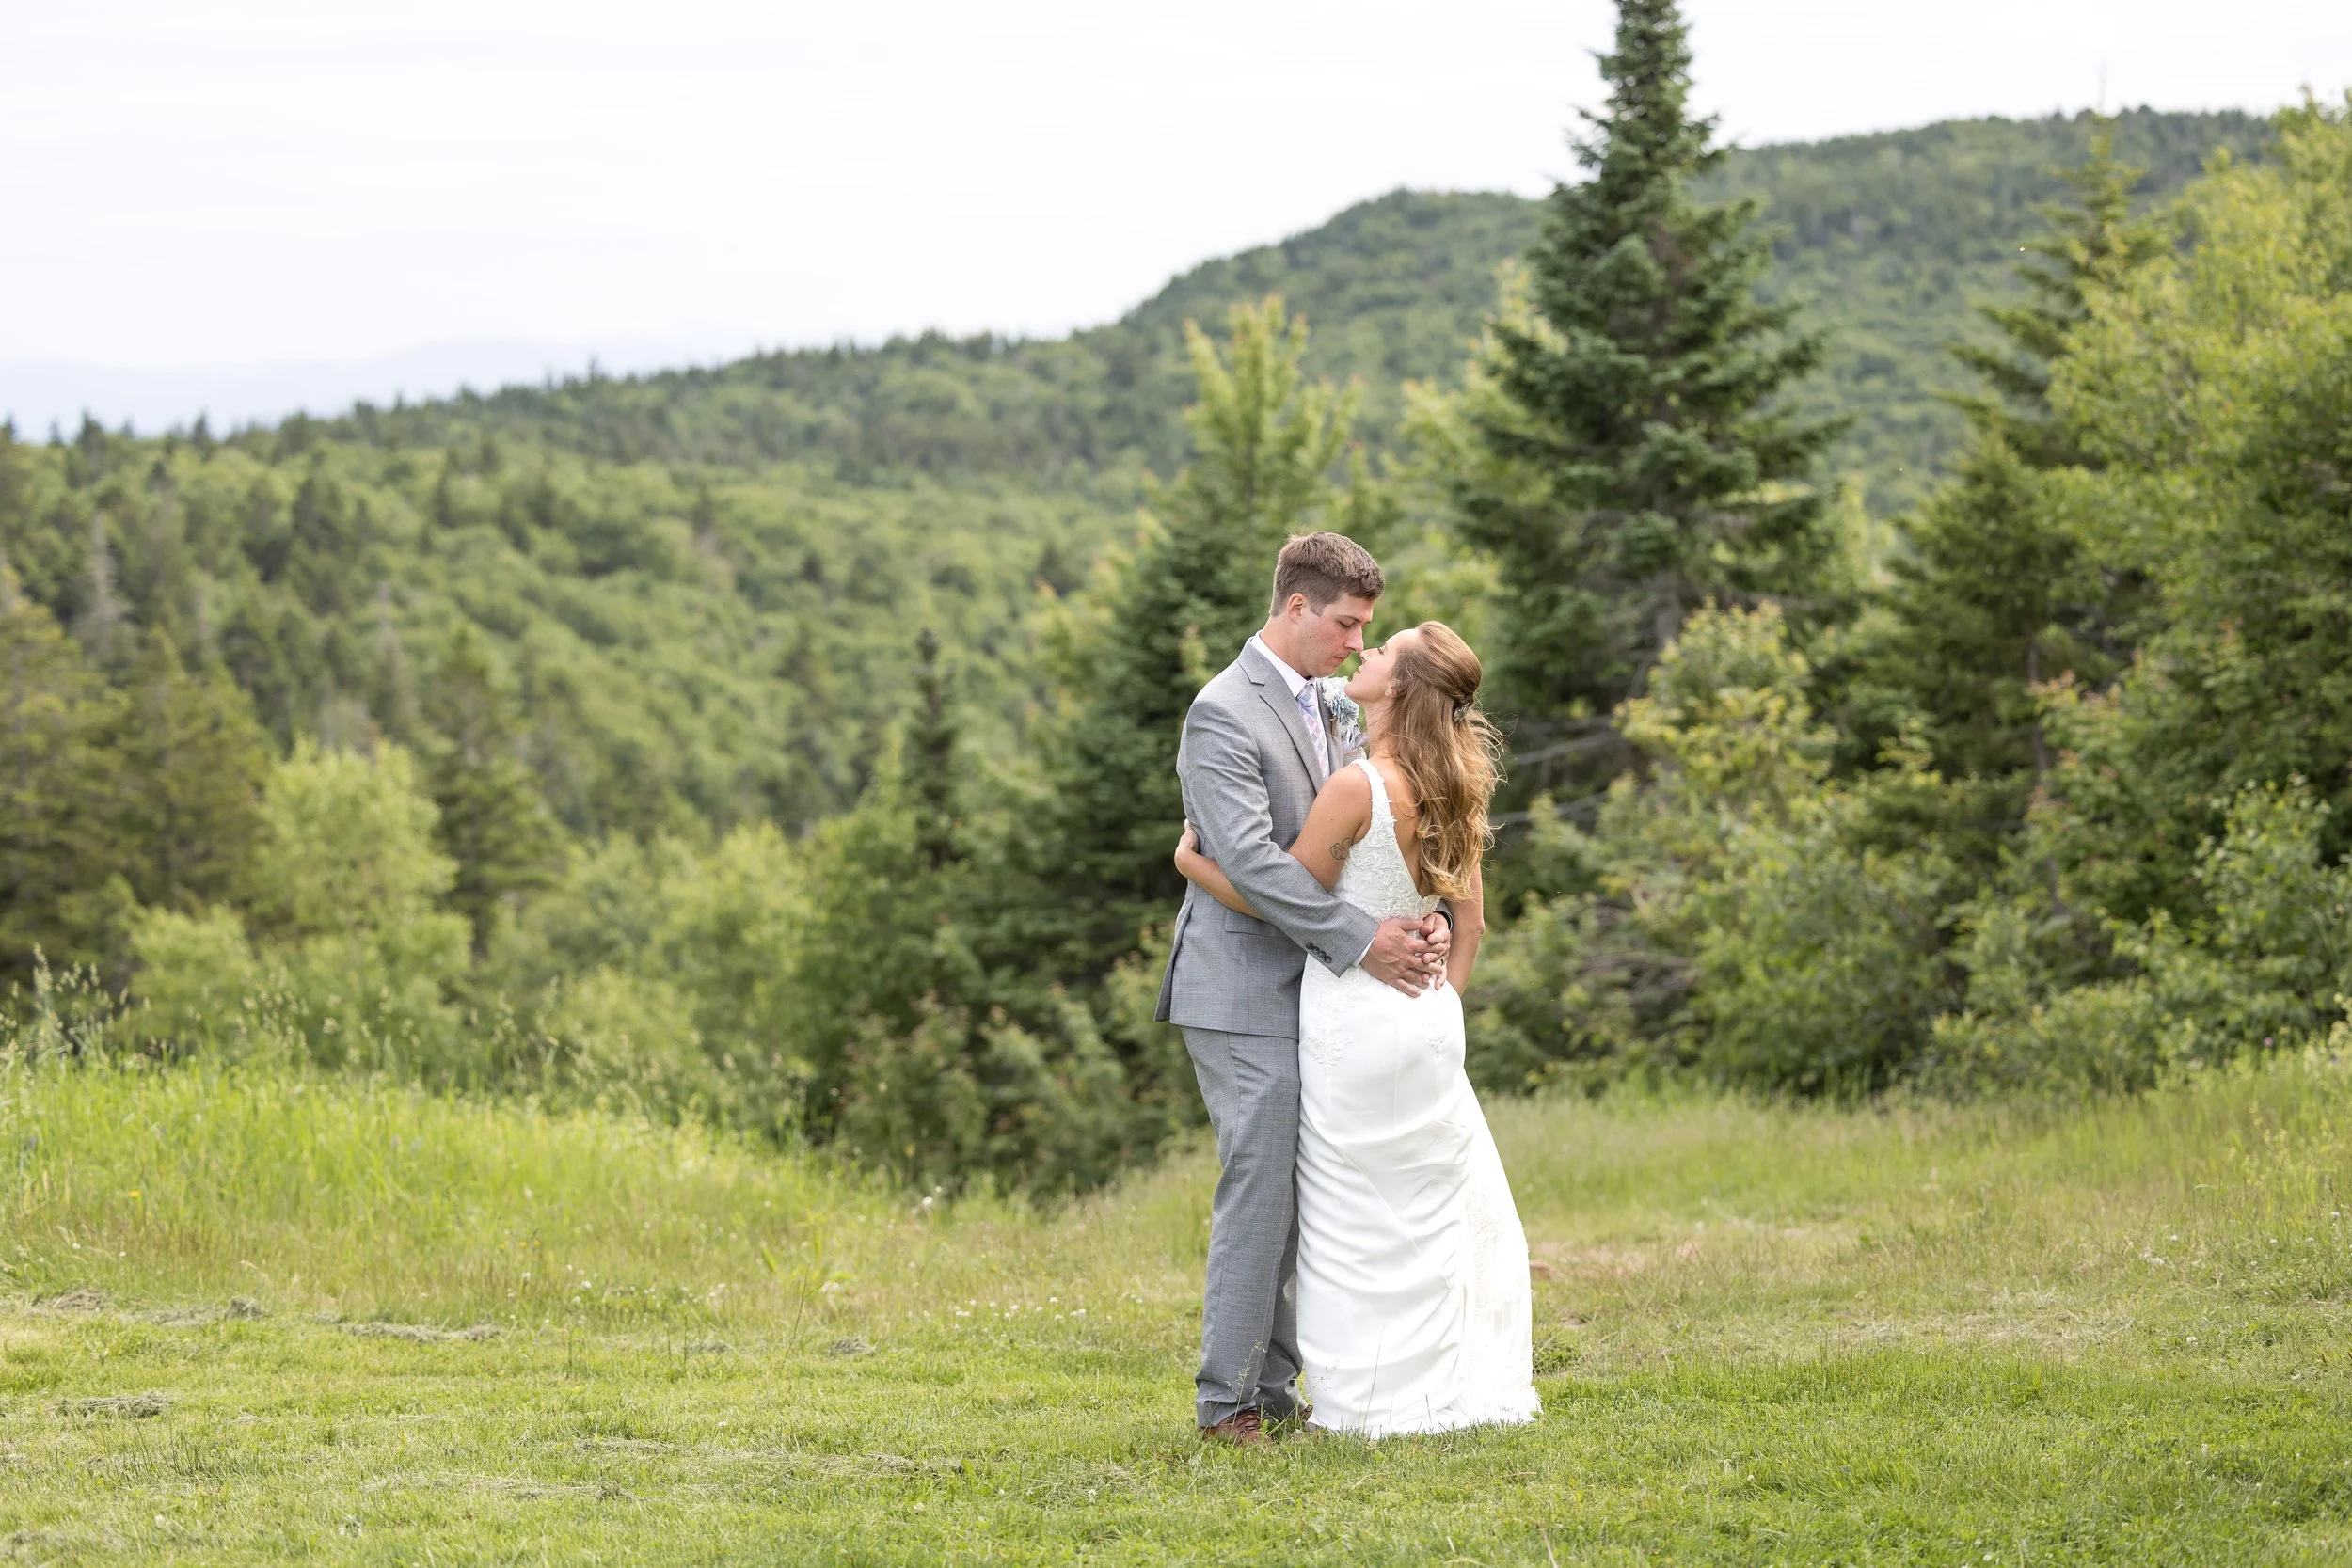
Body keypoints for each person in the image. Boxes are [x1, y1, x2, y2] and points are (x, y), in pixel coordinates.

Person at [1175, 616, 1540, 1439]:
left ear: (1399, 686)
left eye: (1382, 647)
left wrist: (1195, 865)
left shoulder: (1359, 786)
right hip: (1429, 1018)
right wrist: (1439, 1006)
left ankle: (1364, 1395)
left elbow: (1285, 895)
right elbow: (1470, 924)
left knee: (1349, 1210)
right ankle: (1431, 1381)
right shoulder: (1456, 782)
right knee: (1423, 1200)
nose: (1365, 649)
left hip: (1355, 1016)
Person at [1153, 531, 1453, 1448]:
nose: (1358, 645)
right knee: (1260, 1189)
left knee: (1304, 1186)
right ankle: (1226, 1404)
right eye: (1346, 624)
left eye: (1366, 629)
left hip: (1316, 993)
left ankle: (1276, 1390)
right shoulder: (1221, 712)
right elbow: (1248, 860)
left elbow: (1374, 829)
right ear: (1294, 606)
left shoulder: (1328, 699)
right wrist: (1362, 939)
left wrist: (1427, 913)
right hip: (1239, 986)